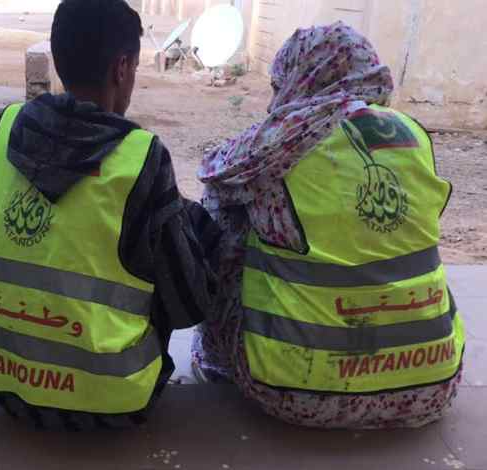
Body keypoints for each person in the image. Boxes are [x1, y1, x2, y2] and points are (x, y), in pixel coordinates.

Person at [0, 0, 221, 430]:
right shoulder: (142, 156)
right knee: (186, 225)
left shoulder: (9, 127)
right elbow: (187, 304)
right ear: (121, 68)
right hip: (109, 398)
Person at [194, 22, 465, 429]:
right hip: (433, 383)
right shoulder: (413, 133)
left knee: (219, 214)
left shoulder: (285, 137)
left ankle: (217, 359)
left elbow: (213, 173)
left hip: (294, 389)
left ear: (301, 74)